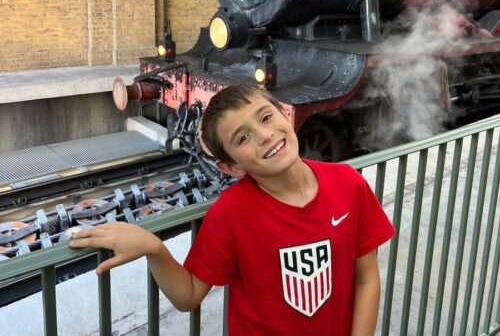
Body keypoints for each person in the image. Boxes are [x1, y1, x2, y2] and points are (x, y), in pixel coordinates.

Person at [70, 84, 394, 335]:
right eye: (243, 138)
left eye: (266, 117)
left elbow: (367, 279)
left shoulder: (348, 184)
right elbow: (190, 295)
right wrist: (154, 248)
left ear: (285, 114)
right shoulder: (231, 213)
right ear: (230, 167)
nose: (266, 136)